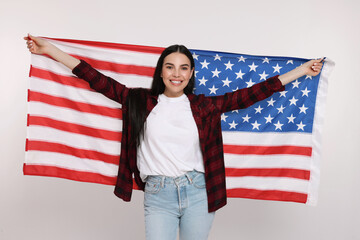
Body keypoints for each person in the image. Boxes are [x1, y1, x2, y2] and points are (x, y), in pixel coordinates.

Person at [24, 34, 323, 240]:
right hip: (158, 195)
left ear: (191, 73)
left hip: (198, 193)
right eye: (170, 67)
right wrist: (50, 51)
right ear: (161, 71)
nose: (176, 74)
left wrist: (300, 71)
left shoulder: (204, 106)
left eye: (183, 68)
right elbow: (96, 79)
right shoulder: (139, 101)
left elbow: (250, 95)